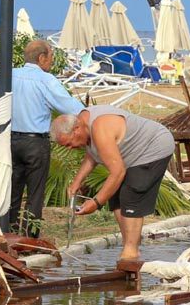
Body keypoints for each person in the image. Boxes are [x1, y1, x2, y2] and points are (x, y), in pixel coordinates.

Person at [0, 40, 84, 236]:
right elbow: (68, 106)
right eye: (50, 57)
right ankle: (30, 236)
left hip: (10, 140)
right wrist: (90, 114)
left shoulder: (10, 75)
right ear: (41, 58)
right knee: (36, 192)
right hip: (36, 142)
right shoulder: (45, 80)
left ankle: (8, 232)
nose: (51, 62)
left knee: (12, 189)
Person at [50, 105, 175, 260]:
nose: (70, 148)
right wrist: (76, 182)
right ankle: (129, 246)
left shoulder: (100, 128)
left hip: (153, 146)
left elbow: (118, 172)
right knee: (116, 198)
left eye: (69, 144)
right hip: (130, 156)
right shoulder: (84, 122)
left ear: (76, 129)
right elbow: (92, 155)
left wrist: (96, 203)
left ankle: (131, 252)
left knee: (132, 193)